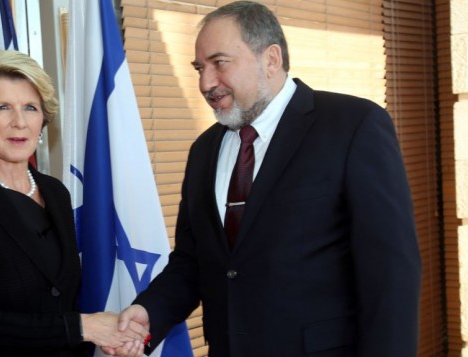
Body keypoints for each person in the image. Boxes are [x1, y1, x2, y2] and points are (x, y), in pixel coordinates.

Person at [109, 1, 422, 356]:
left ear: (271, 59)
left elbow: (390, 275)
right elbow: (193, 263)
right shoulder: (203, 151)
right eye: (199, 68)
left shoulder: (353, 126)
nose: (205, 82)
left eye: (219, 63)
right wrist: (148, 314)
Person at [0, 50, 146, 357]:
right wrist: (86, 328)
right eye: (3, 107)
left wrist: (112, 337)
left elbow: (66, 297)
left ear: (43, 120)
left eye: (30, 108)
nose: (19, 122)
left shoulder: (56, 192)